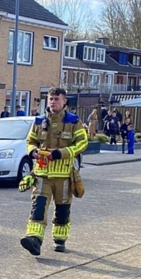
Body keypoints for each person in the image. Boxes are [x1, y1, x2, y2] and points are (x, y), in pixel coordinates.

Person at [19, 87, 88, 256]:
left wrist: (60, 153)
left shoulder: (73, 122)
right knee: (38, 207)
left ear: (64, 101)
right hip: (42, 174)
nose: (53, 102)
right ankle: (34, 239)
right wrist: (33, 151)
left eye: (57, 99)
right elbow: (30, 141)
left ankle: (60, 239)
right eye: (51, 99)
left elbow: (82, 143)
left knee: (62, 209)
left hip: (64, 176)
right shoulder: (39, 121)